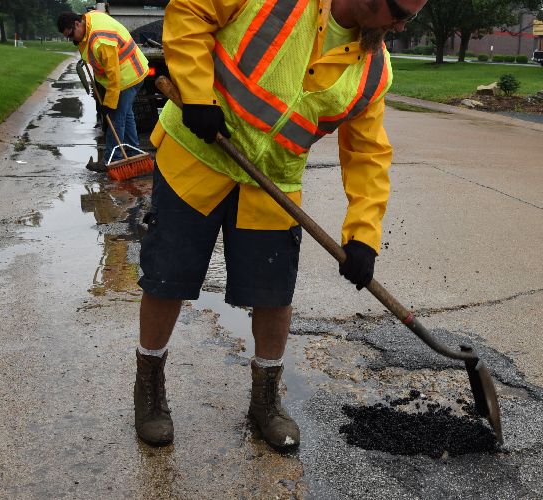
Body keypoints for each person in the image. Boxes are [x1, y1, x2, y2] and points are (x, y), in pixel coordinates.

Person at [132, 0, 426, 449]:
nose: (402, 25)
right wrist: (197, 92)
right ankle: (149, 389)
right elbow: (190, 11)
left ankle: (265, 400)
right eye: (400, 10)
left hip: (272, 183)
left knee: (273, 295)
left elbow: (367, 153)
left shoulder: (374, 71)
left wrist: (363, 235)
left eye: (413, 17)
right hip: (195, 157)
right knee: (166, 279)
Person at [56, 11, 149, 169]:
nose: (72, 39)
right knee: (126, 116)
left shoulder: (101, 40)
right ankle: (135, 154)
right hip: (132, 71)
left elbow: (114, 76)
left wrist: (108, 103)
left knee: (115, 117)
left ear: (77, 24)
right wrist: (80, 42)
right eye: (68, 37)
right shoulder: (90, 18)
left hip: (127, 76)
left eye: (71, 35)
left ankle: (112, 159)